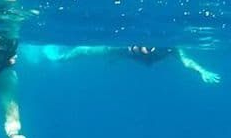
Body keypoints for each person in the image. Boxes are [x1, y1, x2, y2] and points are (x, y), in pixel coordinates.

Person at [28, 44, 221, 84]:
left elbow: (187, 61)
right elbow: (85, 50)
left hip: (125, 54)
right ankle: (55, 56)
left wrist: (202, 71)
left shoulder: (171, 48)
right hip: (120, 51)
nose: (149, 48)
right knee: (85, 50)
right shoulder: (123, 47)